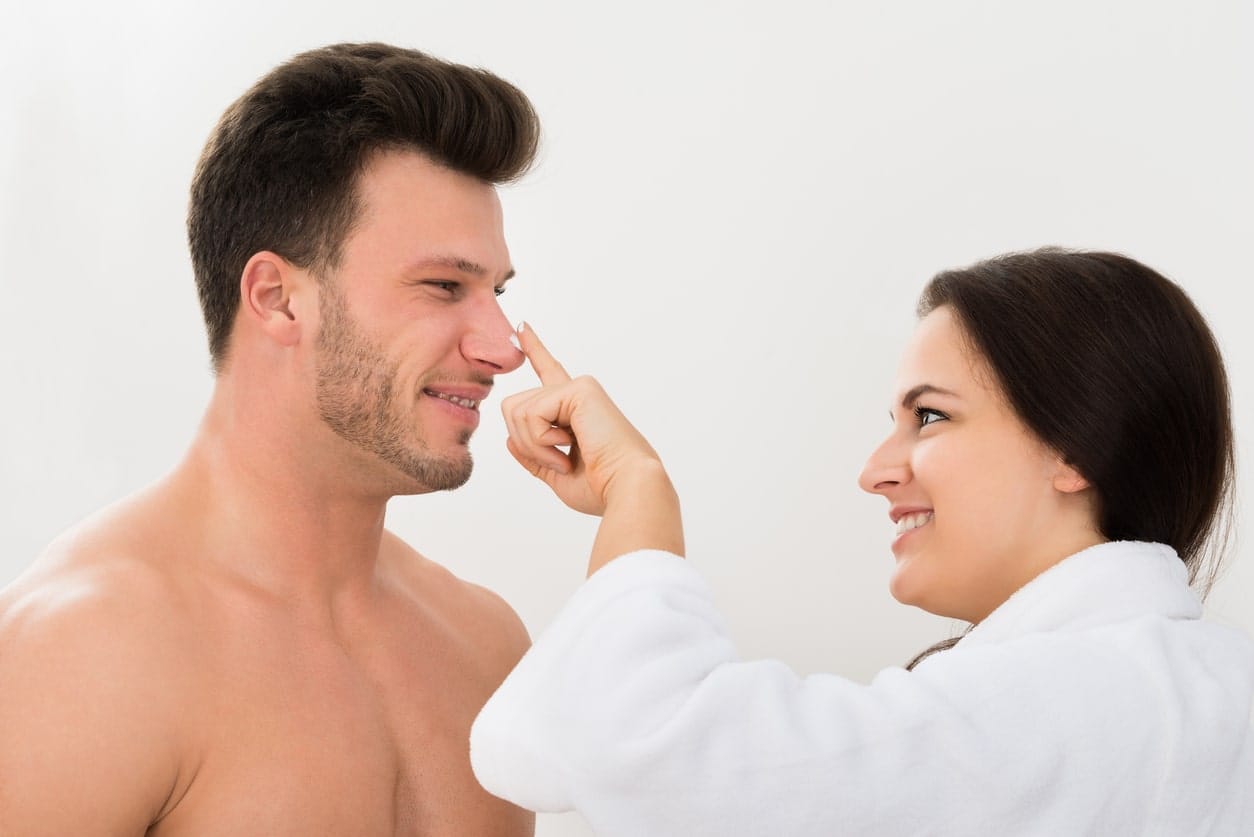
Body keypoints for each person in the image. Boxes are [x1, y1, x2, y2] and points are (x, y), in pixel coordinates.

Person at [471, 249, 1254, 835]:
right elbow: (548, 749)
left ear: (1075, 448)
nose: (875, 472)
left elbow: (625, 742)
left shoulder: (1079, 699)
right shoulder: (1204, 687)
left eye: (932, 416)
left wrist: (635, 487)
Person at [0, 43, 538, 834]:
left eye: (495, 292)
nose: (504, 347)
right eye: (444, 286)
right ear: (279, 299)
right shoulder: (88, 654)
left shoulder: (484, 643)